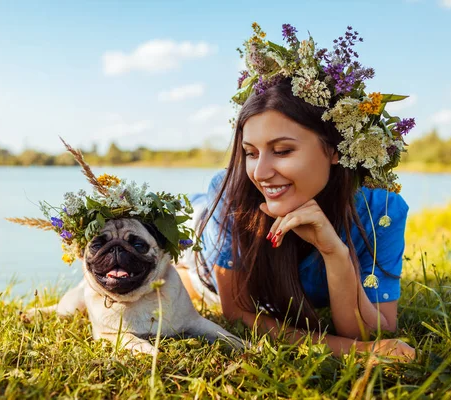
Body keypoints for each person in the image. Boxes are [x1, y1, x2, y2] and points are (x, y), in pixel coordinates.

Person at [177, 23, 416, 359]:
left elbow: (373, 328)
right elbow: (238, 314)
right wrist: (358, 352)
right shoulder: (233, 192)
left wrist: (335, 251)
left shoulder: (383, 211)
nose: (260, 173)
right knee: (187, 272)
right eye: (250, 152)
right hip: (204, 253)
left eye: (283, 150)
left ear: (335, 150)